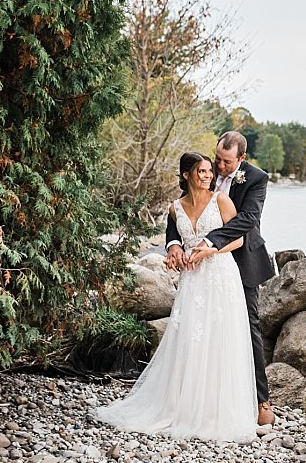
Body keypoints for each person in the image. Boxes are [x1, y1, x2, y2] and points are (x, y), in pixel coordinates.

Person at [93, 152, 258, 441]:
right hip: (192, 280)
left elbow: (239, 238)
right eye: (201, 171)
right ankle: (182, 405)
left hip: (220, 275)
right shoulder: (175, 208)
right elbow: (174, 236)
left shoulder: (221, 200)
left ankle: (213, 411)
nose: (208, 176)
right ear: (186, 175)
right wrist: (173, 248)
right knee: (190, 339)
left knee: (218, 338)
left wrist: (211, 250)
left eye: (209, 171)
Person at [169, 131, 277, 426]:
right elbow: (180, 209)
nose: (219, 165)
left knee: (248, 325)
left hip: (240, 260)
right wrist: (175, 244)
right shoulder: (204, 171)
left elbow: (248, 220)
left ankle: (260, 400)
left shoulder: (256, 178)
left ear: (241, 158)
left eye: (226, 161)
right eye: (217, 158)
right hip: (202, 267)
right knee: (201, 327)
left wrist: (209, 242)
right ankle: (198, 396)